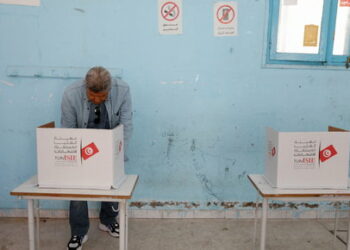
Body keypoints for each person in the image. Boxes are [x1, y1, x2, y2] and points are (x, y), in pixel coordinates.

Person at [61, 66, 133, 250]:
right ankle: (79, 232)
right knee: (77, 187)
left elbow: (126, 125)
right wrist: (76, 158)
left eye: (102, 97)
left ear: (109, 90)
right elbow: (68, 129)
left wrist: (118, 152)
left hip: (110, 141)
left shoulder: (123, 90)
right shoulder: (71, 94)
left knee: (111, 183)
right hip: (81, 144)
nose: (97, 100)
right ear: (86, 87)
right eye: (93, 96)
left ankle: (108, 221)